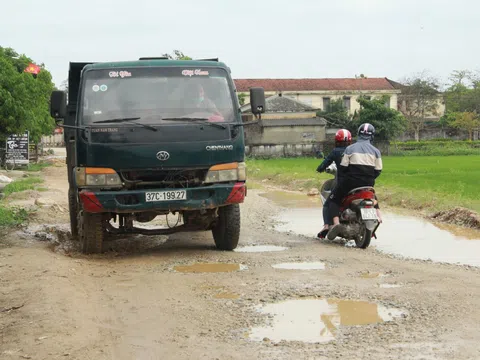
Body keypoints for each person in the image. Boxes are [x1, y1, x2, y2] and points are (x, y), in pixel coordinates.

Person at [327, 123, 383, 241]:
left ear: (358, 134)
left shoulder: (350, 148)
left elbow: (343, 167)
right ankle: (379, 216)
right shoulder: (376, 151)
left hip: (350, 183)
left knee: (333, 199)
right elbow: (378, 170)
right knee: (373, 196)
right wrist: (368, 178)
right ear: (372, 136)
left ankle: (336, 224)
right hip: (368, 183)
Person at [316, 129, 352, 239]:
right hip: (358, 181)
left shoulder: (336, 151)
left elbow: (325, 163)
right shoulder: (353, 150)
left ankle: (327, 225)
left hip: (342, 183)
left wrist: (319, 169)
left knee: (329, 202)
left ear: (336, 140)